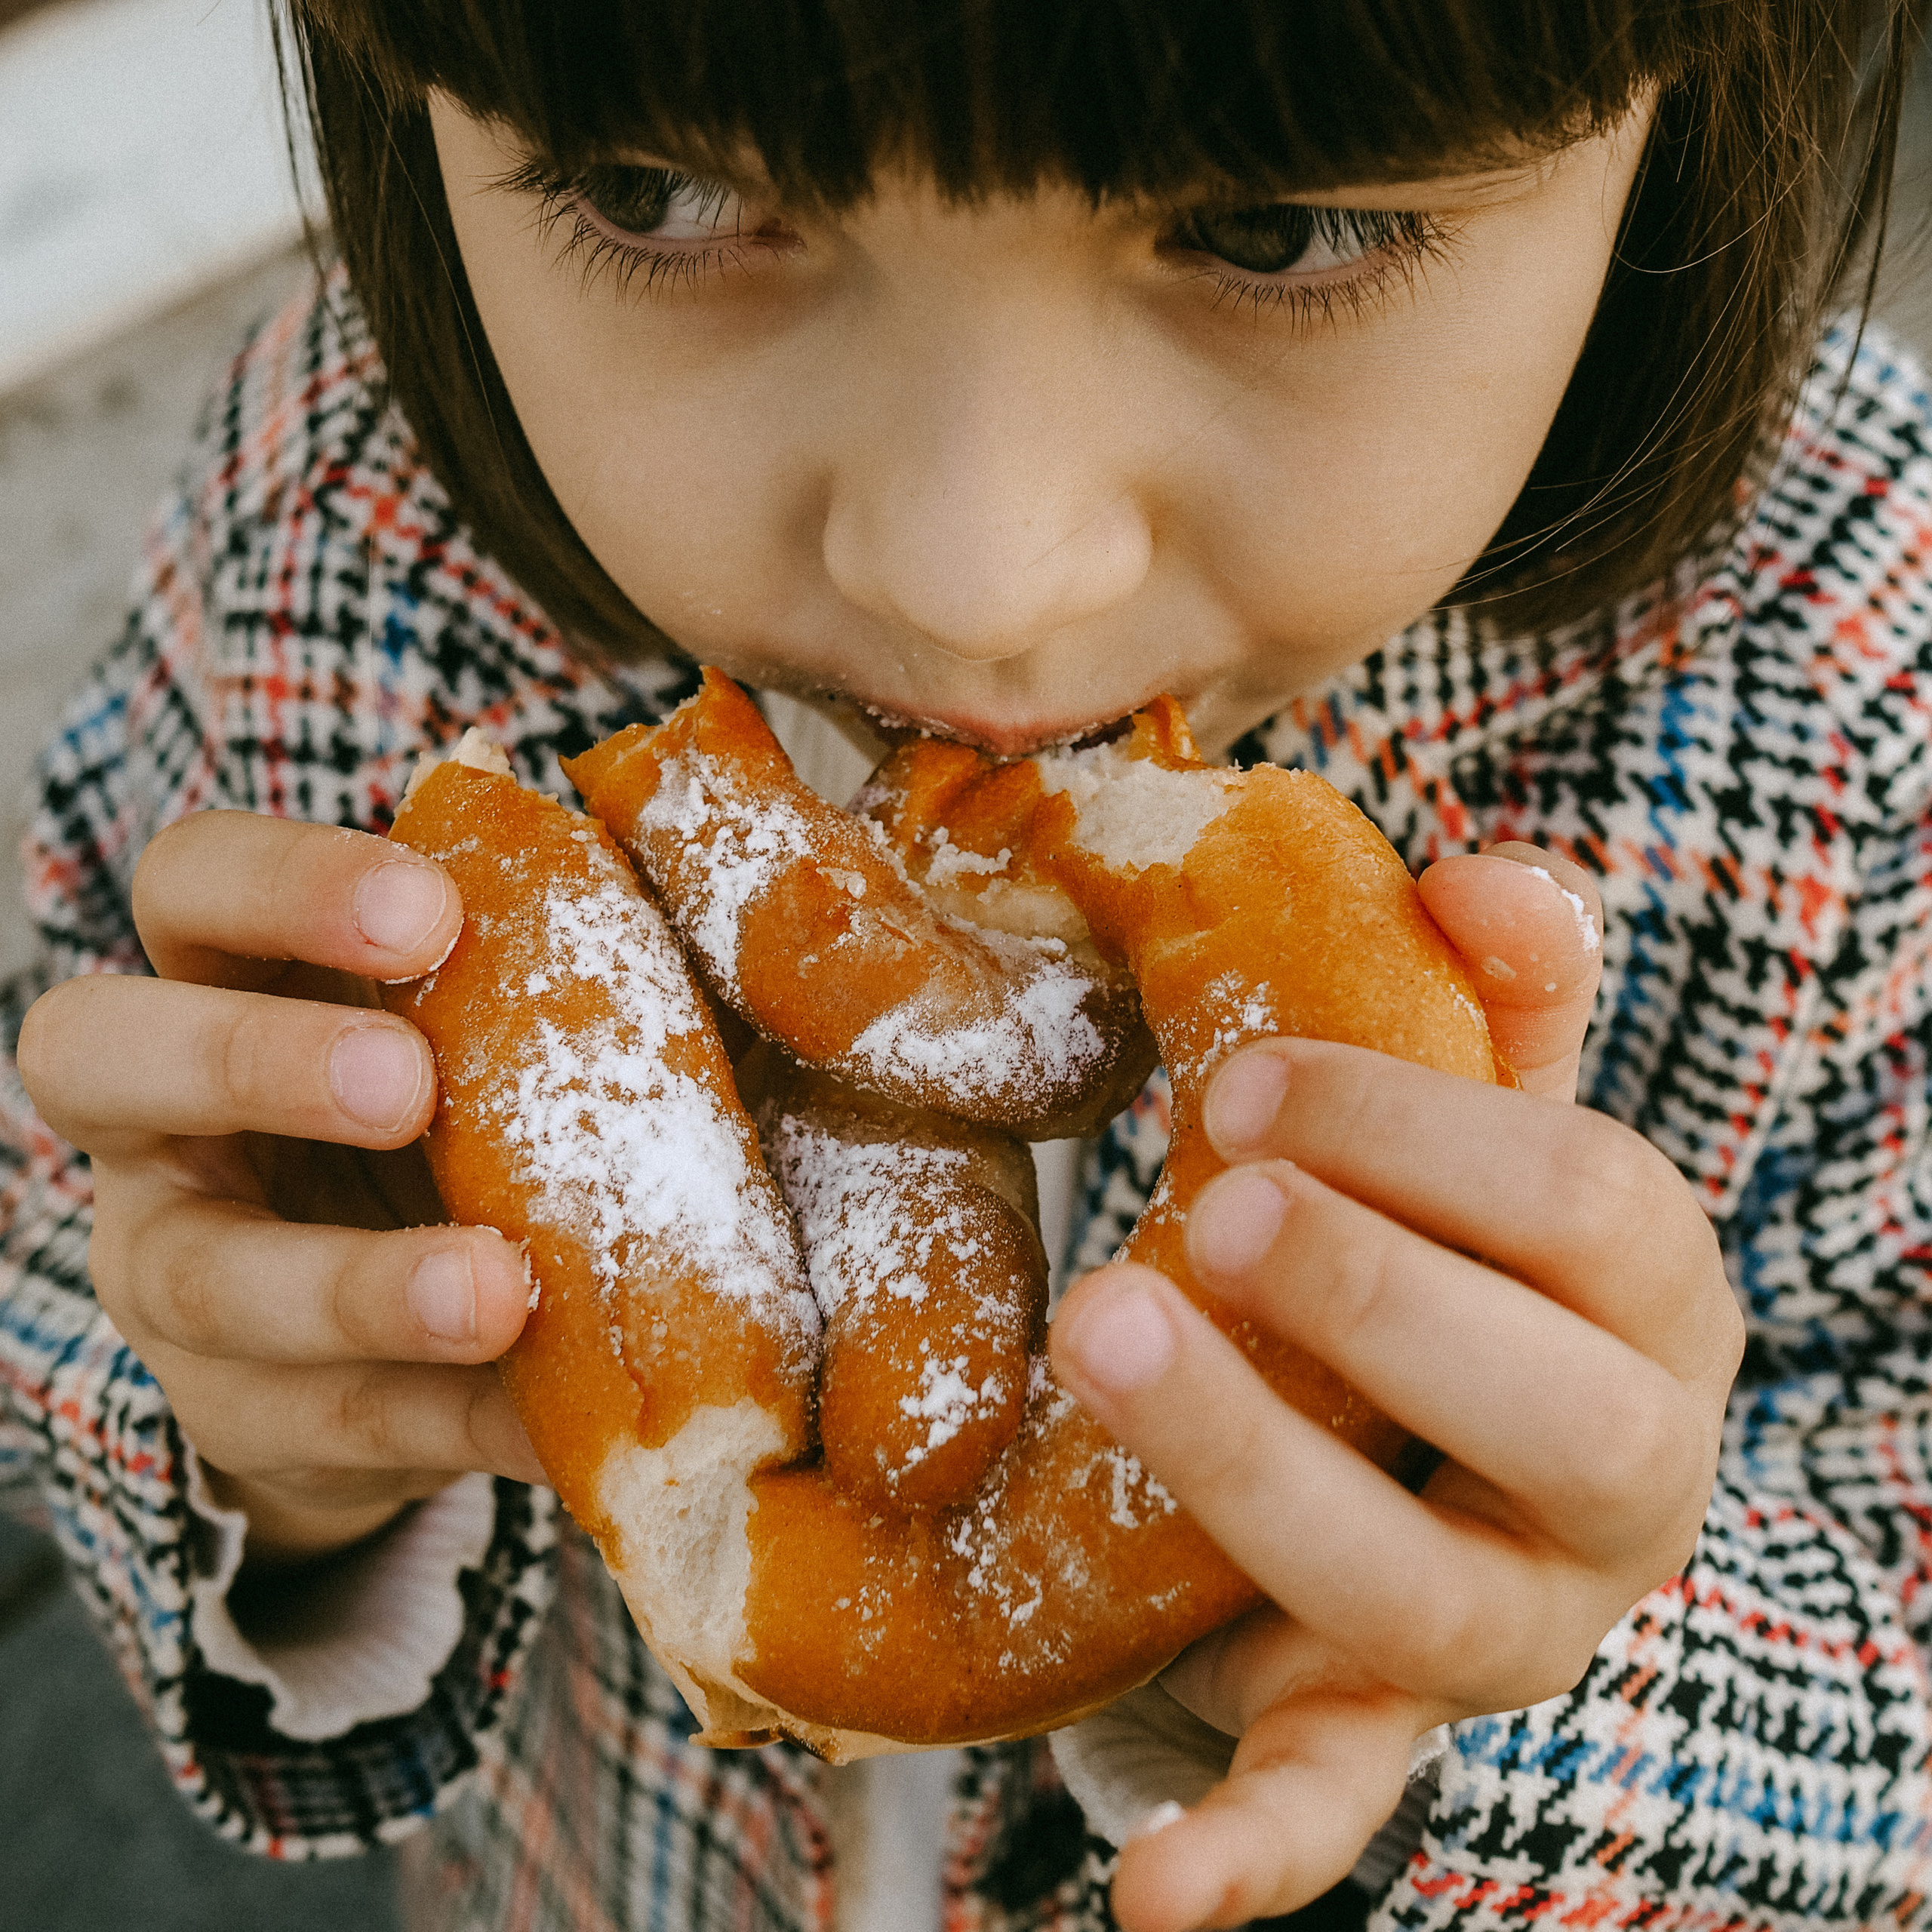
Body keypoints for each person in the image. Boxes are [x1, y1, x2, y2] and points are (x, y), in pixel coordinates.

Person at [3, 0, 1928, 1926]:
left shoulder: (1859, 690)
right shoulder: (336, 527)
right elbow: (55, 1170)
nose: (973, 573)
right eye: (661, 192)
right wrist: (278, 1450)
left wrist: (1552, 1646)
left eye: (1275, 228)